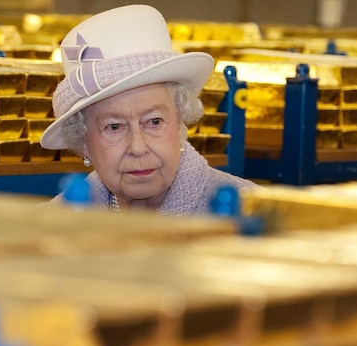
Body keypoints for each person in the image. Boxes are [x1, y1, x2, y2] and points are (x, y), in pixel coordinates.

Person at [40, 4, 256, 215]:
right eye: (114, 127)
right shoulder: (54, 222)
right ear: (84, 143)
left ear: (180, 123)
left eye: (154, 122)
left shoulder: (253, 214)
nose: (138, 147)